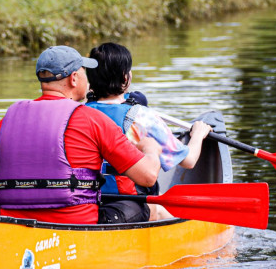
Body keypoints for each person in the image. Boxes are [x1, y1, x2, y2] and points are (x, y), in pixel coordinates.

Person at [0, 45, 162, 225]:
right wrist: (151, 150)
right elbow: (148, 177)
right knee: (145, 207)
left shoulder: (6, 122)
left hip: (19, 225)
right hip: (77, 224)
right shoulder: (93, 120)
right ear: (74, 78)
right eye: (85, 72)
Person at [85, 42, 212, 222]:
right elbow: (188, 161)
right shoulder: (140, 117)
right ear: (125, 77)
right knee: (156, 202)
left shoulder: (79, 113)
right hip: (130, 202)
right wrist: (198, 134)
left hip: (90, 201)